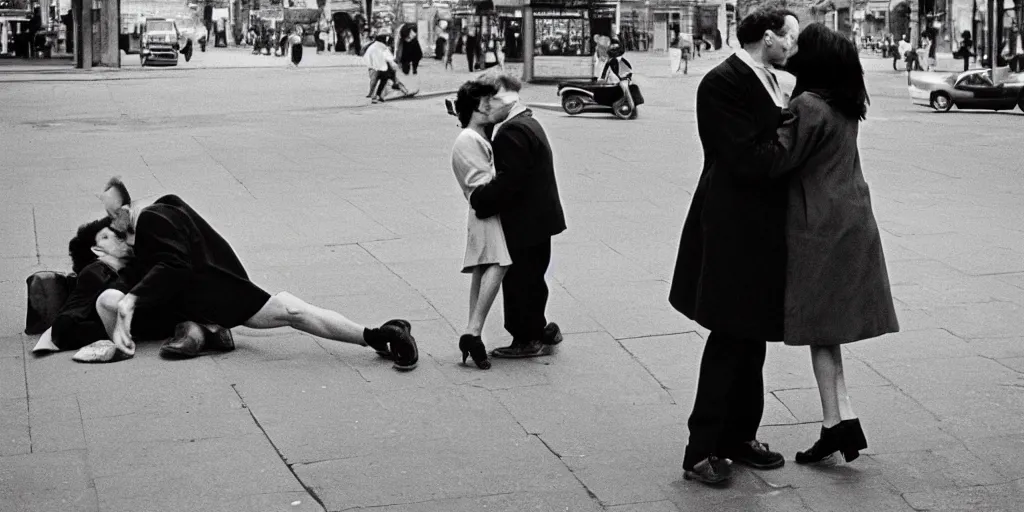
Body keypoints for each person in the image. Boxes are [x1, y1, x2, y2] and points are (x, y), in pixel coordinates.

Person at [668, 7, 799, 486]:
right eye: (791, 38)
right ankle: (700, 449)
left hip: (758, 226)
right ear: (768, 38)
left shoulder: (770, 77)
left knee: (752, 337)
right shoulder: (721, 82)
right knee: (728, 337)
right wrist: (795, 142)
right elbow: (745, 157)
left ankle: (740, 436)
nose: (794, 47)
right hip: (730, 226)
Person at [94, 179, 420, 370]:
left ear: (125, 209)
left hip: (226, 297)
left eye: (112, 215)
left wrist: (130, 302)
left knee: (294, 312)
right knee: (294, 312)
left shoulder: (152, 218)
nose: (110, 222)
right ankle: (378, 336)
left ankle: (383, 334)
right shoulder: (151, 222)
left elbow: (174, 266)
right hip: (216, 300)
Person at [773, 22, 899, 465]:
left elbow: (779, 158)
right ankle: (842, 419)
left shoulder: (807, 104)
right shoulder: (845, 104)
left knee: (819, 330)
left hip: (820, 227)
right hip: (852, 219)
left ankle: (834, 425)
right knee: (827, 332)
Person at [469, 72, 566, 359]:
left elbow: (510, 182)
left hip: (525, 221)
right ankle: (542, 329)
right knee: (533, 277)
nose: (485, 107)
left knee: (520, 281)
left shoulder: (511, 132)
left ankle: (528, 338)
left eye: (489, 101)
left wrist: (480, 200)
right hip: (539, 219)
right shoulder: (527, 122)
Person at [448, 80, 512, 370]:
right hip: (485, 211)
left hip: (483, 211)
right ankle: (473, 331)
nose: (490, 107)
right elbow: (482, 184)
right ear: (475, 107)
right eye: (486, 102)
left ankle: (473, 333)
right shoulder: (467, 140)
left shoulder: (475, 136)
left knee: (483, 266)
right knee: (499, 263)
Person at [32, 218, 133, 354]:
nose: (123, 240)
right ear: (98, 250)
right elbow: (66, 324)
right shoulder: (97, 272)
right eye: (117, 237)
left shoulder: (110, 270)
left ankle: (67, 285)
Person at [601, 38, 636, 113]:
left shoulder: (620, 60)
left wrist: (627, 77)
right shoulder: (612, 61)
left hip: (624, 78)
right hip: (620, 79)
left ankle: (631, 106)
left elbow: (629, 70)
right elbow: (605, 70)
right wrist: (602, 78)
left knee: (625, 89)